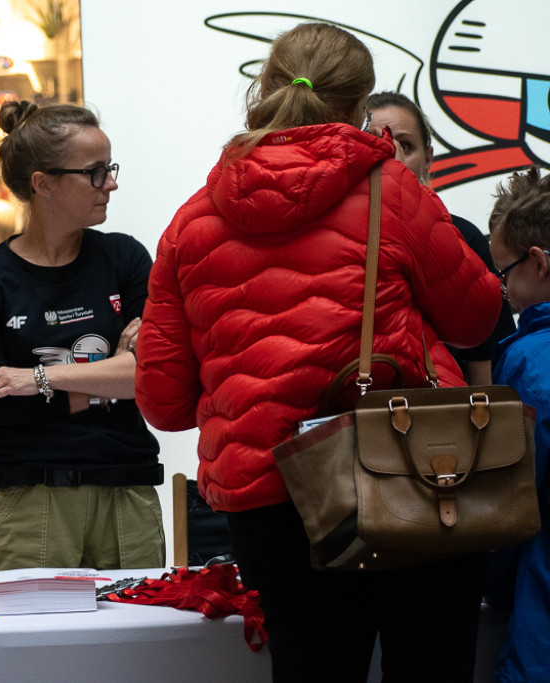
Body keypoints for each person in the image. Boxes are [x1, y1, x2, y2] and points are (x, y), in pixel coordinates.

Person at [135, 23, 502, 683]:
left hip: (271, 495)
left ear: (265, 88)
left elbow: (163, 403)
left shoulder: (190, 223)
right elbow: (477, 316)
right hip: (409, 468)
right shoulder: (392, 191)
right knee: (431, 665)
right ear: (359, 106)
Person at [0, 100, 165, 572]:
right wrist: (107, 384)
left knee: (138, 644)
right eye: (93, 172)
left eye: (109, 168)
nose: (111, 183)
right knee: (28, 646)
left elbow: (151, 376)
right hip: (27, 499)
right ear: (43, 183)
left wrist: (37, 378)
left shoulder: (125, 259)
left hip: (125, 492)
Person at [366, 91, 516, 385]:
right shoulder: (341, 238)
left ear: (429, 157)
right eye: (376, 144)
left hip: (447, 418)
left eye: (405, 146)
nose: (392, 157)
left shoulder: (464, 237)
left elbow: (483, 365)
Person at [486, 167, 550, 683]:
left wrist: (492, 587)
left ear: (538, 263)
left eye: (503, 273)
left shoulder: (528, 362)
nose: (499, 287)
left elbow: (513, 502)